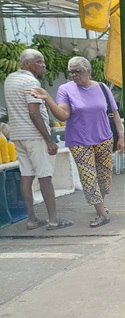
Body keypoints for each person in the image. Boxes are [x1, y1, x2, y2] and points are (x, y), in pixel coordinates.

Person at [29, 56, 124, 228]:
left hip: (104, 138)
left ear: (88, 71)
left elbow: (115, 114)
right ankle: (102, 213)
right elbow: (63, 115)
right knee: (89, 177)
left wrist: (121, 136)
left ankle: (100, 203)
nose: (73, 75)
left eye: (77, 71)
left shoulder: (102, 88)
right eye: (71, 72)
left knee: (104, 179)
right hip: (80, 141)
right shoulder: (65, 89)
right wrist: (48, 99)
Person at [4, 49, 72, 230]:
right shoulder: (30, 81)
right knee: (45, 176)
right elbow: (34, 113)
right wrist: (49, 139)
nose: (44, 65)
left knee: (26, 176)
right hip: (35, 136)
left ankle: (32, 219)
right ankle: (53, 220)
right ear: (27, 64)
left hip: (18, 135)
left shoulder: (10, 79)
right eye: (39, 62)